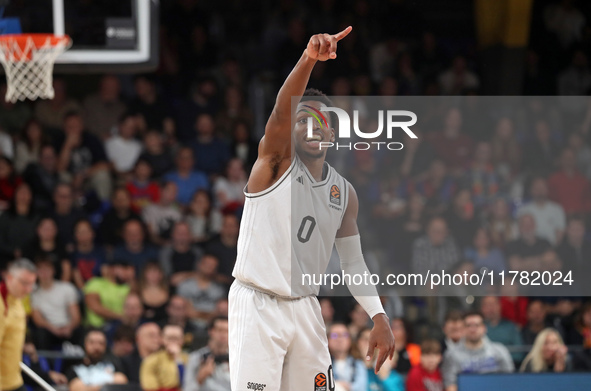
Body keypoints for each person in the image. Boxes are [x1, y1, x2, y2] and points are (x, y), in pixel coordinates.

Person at [228, 27, 395, 391]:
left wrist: (378, 315)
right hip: (258, 302)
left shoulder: (344, 192)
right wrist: (309, 59)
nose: (311, 126)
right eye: (303, 120)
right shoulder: (274, 164)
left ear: (332, 134)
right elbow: (278, 116)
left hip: (305, 307)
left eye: (321, 121)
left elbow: (353, 263)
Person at [442, 311, 514, 391]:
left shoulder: (500, 351)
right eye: (468, 325)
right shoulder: (451, 355)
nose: (473, 329)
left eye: (477, 325)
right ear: (463, 329)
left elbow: (509, 381)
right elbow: (450, 385)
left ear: (484, 328)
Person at [0, 259, 37, 391]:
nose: (28, 289)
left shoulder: (19, 301)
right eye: (24, 283)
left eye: (32, 284)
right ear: (9, 278)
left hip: (13, 380)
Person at [30, 257, 82, 350]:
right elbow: (37, 319)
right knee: (40, 334)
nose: (44, 273)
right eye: (40, 270)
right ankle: (43, 363)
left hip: (69, 328)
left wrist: (69, 327)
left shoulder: (67, 288)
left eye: (47, 269)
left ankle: (83, 362)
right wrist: (53, 329)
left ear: (53, 270)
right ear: (36, 272)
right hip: (49, 330)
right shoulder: (33, 293)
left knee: (82, 332)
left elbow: (76, 316)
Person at [178, 255, 226, 331]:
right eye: (206, 264)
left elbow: (218, 312)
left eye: (212, 265)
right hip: (187, 325)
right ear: (199, 264)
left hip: (213, 326)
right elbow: (185, 310)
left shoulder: (219, 288)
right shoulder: (185, 285)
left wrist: (200, 314)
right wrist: (206, 314)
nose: (209, 267)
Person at [184, 316, 231, 391]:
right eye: (220, 330)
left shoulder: (235, 361)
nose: (223, 334)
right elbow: (187, 389)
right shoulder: (195, 357)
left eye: (227, 331)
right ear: (211, 331)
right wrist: (201, 377)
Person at [83, 260, 132, 328]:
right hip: (96, 327)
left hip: (121, 327)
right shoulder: (95, 283)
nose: (126, 273)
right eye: (123, 269)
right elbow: (94, 306)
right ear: (111, 269)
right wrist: (119, 316)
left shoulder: (127, 287)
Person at [517, 177, 566, 245]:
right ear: (532, 190)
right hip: (529, 248)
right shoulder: (524, 210)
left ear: (547, 190)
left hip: (551, 248)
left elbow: (560, 233)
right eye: (537, 188)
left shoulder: (557, 209)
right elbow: (520, 233)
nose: (540, 191)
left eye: (542, 188)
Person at [140, 324, 188, 391]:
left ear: (182, 340)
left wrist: (178, 359)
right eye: (170, 338)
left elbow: (188, 384)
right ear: (162, 339)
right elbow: (149, 387)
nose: (173, 342)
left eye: (176, 338)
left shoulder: (190, 359)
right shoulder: (151, 360)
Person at [480, 296, 523, 362]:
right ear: (482, 308)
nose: (491, 309)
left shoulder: (510, 327)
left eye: (493, 304)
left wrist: (501, 359)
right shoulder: (477, 328)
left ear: (500, 306)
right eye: (487, 305)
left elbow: (519, 353)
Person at [159, 221, 203, 287]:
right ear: (172, 234)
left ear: (191, 235)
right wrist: (191, 275)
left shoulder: (197, 252)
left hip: (195, 288)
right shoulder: (165, 252)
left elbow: (200, 276)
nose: (182, 236)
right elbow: (169, 278)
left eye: (185, 233)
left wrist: (183, 276)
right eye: (179, 233)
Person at [328, 323, 368, 391]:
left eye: (344, 335)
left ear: (350, 340)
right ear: (327, 340)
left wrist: (347, 387)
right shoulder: (323, 363)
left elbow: (362, 387)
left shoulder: (358, 363)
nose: (339, 339)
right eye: (334, 335)